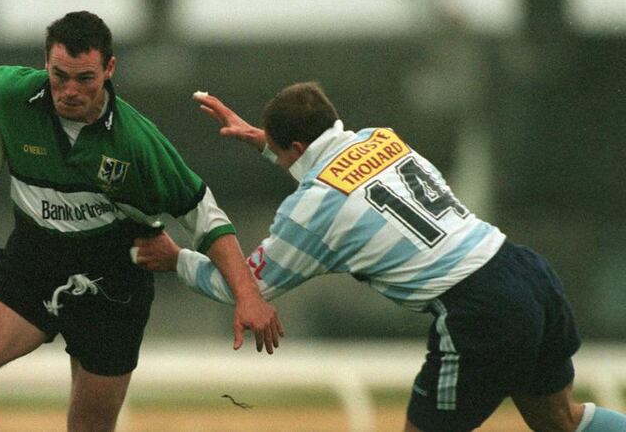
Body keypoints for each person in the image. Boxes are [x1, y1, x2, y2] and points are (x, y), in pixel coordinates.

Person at [132, 82, 626, 431]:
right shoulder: (380, 138)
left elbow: (242, 286)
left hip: (478, 307)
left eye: (284, 153)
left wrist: (176, 258)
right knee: (564, 420)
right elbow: (335, 173)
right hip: (522, 268)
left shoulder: (308, 212)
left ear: (296, 146)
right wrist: (271, 146)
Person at [0, 11, 282, 432]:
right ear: (45, 63)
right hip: (32, 262)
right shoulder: (14, 91)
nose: (69, 91)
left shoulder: (136, 141)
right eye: (59, 75)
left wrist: (247, 295)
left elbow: (203, 214)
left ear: (109, 69)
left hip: (114, 281)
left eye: (84, 78)